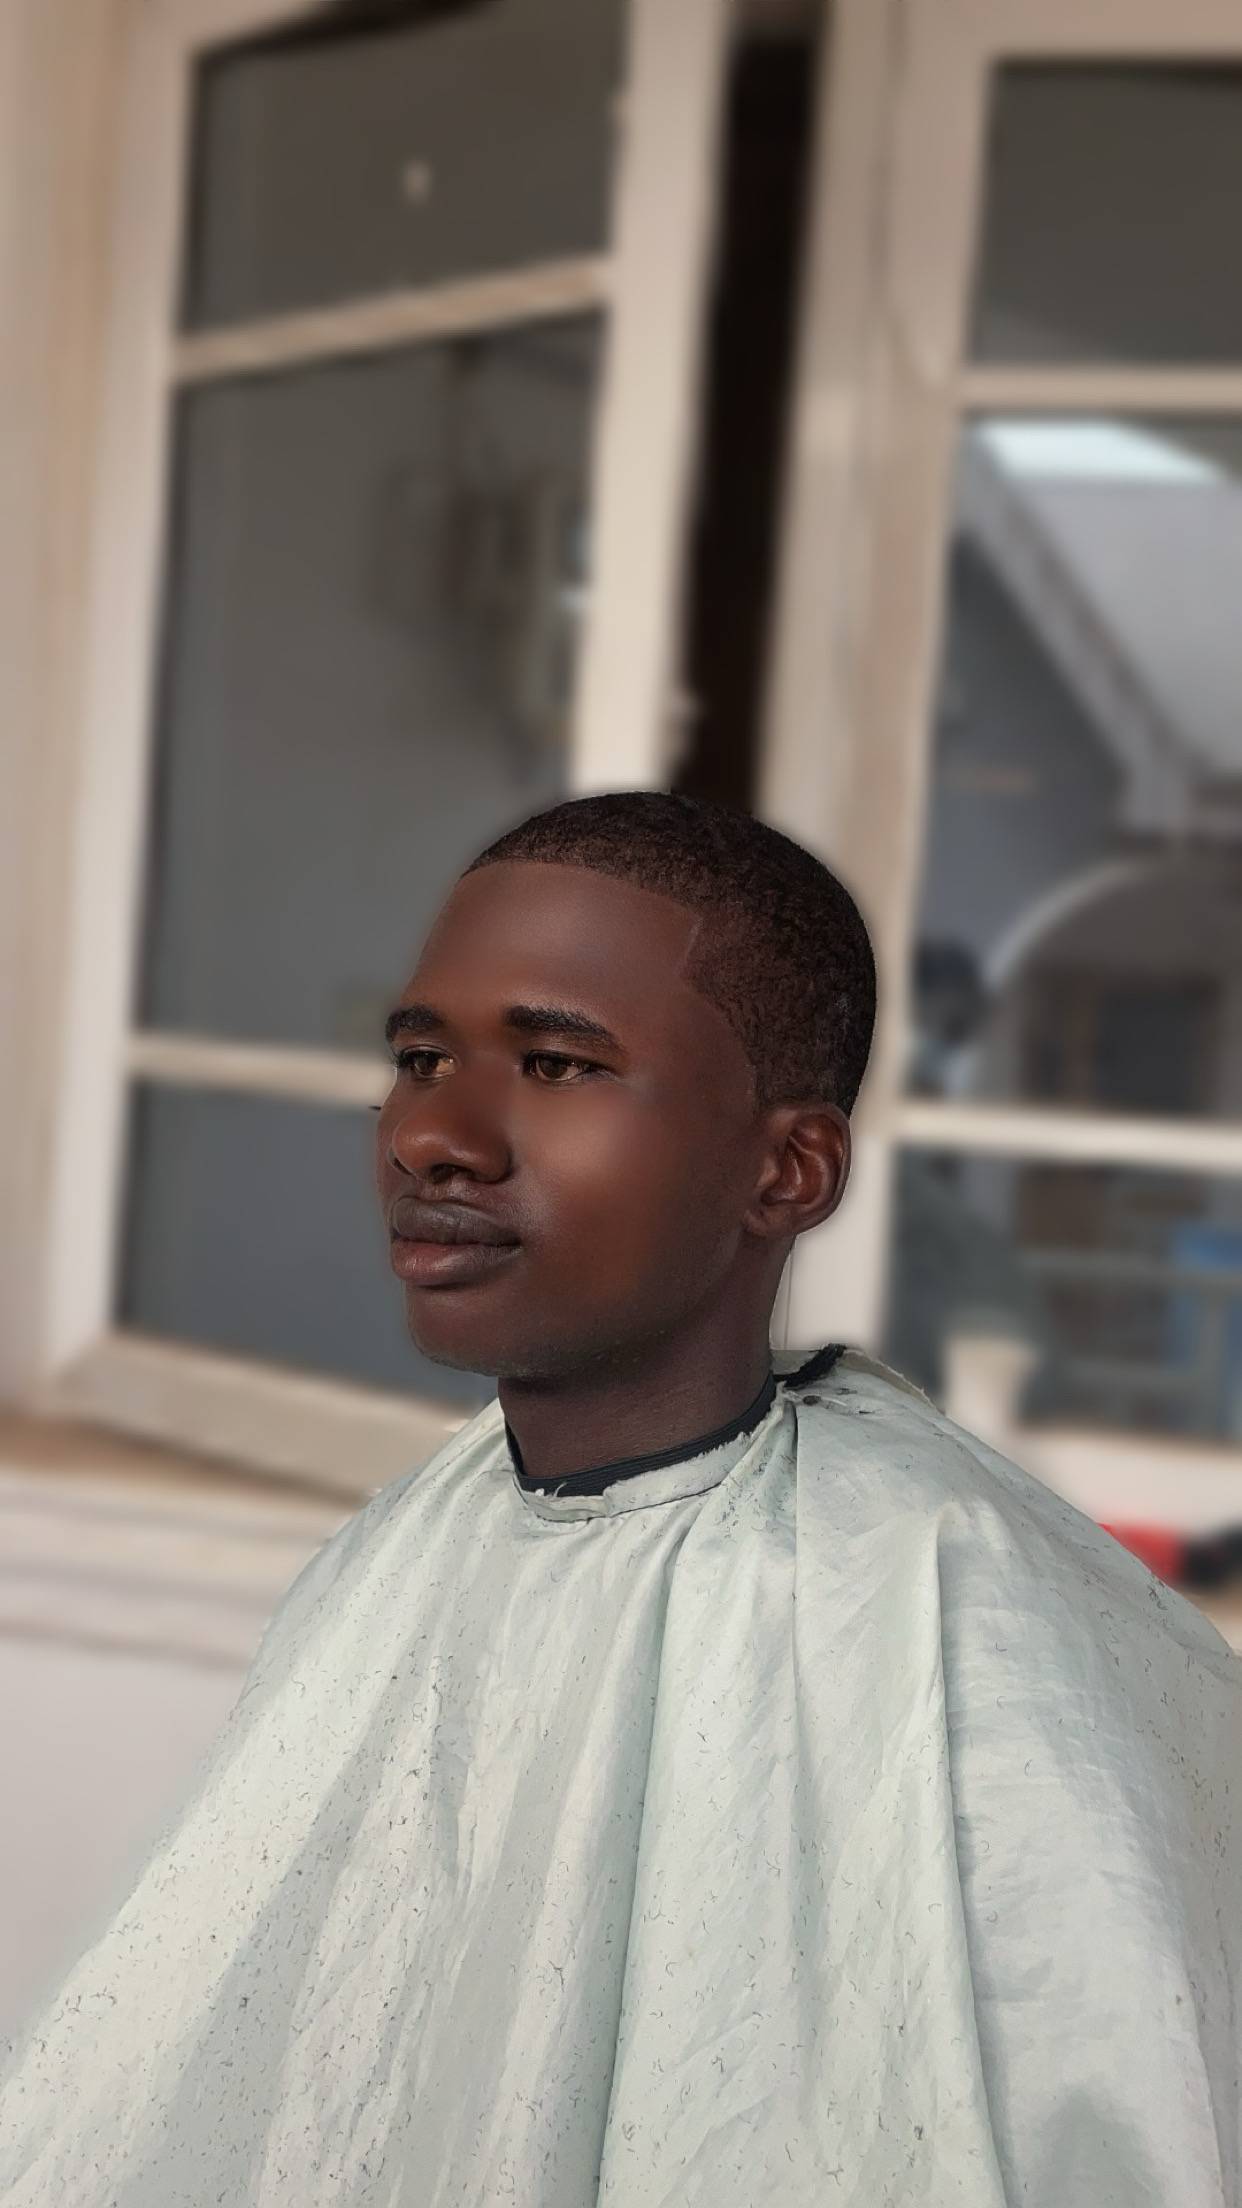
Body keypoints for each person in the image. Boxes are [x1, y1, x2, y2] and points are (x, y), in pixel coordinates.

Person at [1, 790, 1238, 2205]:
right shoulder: (399, 1549)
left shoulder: (960, 1618)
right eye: (419, 1058)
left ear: (788, 1169)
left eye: (557, 1064)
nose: (433, 1136)